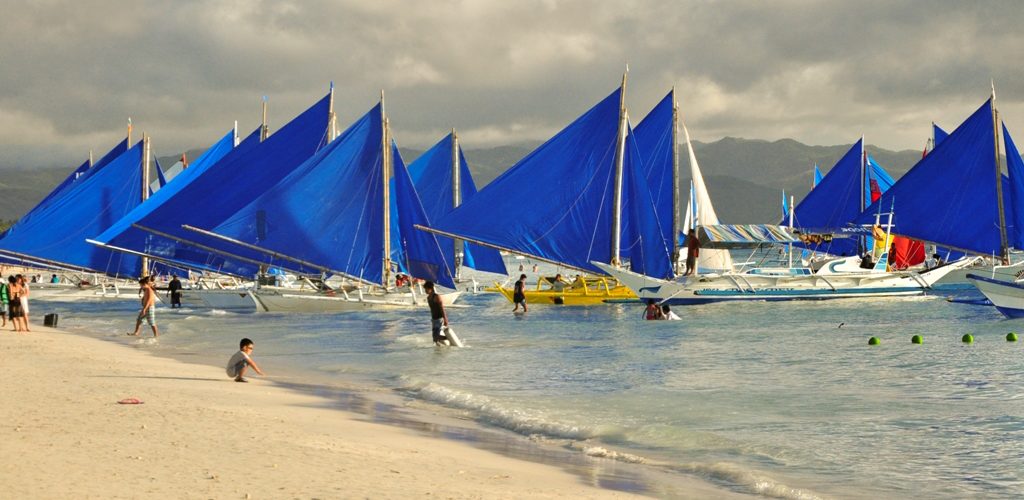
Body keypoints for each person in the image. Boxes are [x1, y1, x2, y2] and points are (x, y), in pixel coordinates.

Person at [424, 281, 449, 345]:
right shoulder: (428, 298)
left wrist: (445, 319)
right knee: (434, 338)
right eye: (425, 289)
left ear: (431, 288)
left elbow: (442, 308)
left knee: (436, 336)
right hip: (434, 319)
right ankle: (438, 352)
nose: (425, 291)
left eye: (426, 289)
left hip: (439, 319)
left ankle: (449, 338)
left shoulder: (436, 297)